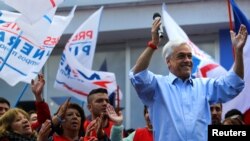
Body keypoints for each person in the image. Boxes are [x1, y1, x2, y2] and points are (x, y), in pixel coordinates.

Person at [129, 16, 248, 141]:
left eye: (189, 56)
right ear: (168, 62)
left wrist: (238, 52)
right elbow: (137, 75)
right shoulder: (157, 86)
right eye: (181, 56)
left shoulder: (204, 86)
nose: (187, 60)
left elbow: (234, 84)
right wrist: (153, 44)